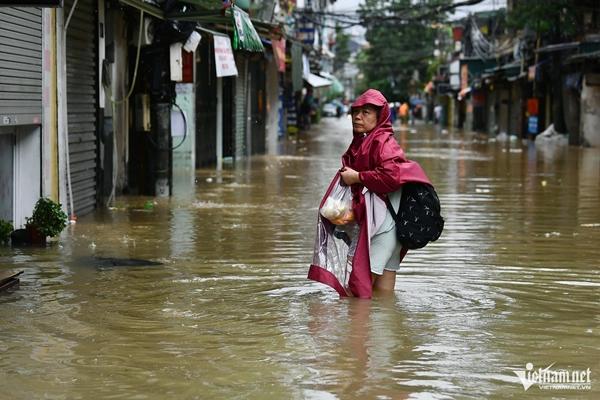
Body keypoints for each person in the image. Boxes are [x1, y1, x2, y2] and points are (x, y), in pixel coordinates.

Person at [308, 89, 431, 298]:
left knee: (357, 292)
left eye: (366, 112)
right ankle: (382, 329)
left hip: (383, 229)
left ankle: (358, 330)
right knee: (383, 294)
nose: (357, 116)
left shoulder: (381, 141)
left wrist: (357, 177)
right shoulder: (368, 141)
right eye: (356, 111)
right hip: (391, 229)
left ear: (380, 116)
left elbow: (391, 176)